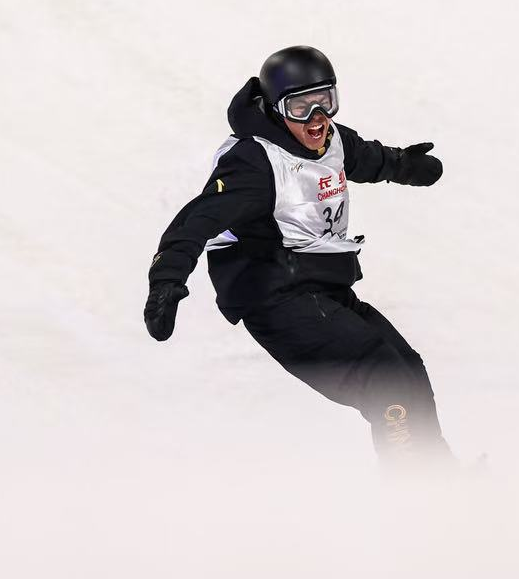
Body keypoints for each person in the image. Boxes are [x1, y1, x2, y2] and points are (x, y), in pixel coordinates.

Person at [144, 45, 453, 468]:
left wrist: (404, 165)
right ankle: (418, 490)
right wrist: (166, 278)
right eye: (300, 107)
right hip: (275, 298)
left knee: (408, 370)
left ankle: (441, 477)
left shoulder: (331, 140)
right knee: (387, 382)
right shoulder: (255, 162)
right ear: (276, 109)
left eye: (325, 101)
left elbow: (365, 157)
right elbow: (196, 221)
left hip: (321, 288)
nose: (317, 119)